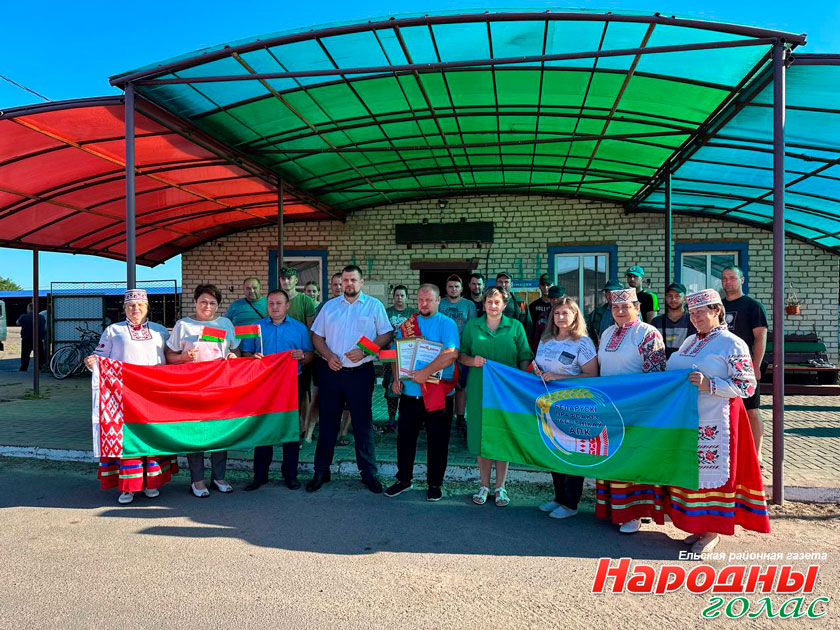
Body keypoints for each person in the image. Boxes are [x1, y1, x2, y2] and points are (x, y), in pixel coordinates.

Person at [665, 289, 769, 553]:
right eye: (692, 313)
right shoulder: (690, 342)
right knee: (694, 472)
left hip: (718, 420)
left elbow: (747, 386)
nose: (695, 317)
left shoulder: (732, 343)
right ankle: (699, 526)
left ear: (717, 311)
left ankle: (712, 531)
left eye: (701, 312)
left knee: (714, 473)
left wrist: (710, 384)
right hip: (690, 421)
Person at [84, 289, 177, 505]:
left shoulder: (160, 331)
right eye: (131, 306)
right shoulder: (113, 330)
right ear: (125, 308)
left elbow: (171, 358)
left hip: (154, 395)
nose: (136, 309)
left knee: (152, 436)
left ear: (147, 307)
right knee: (128, 439)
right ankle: (129, 486)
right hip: (122, 397)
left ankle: (152, 483)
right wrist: (91, 363)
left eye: (140, 305)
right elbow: (100, 358)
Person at [307, 265, 393, 493]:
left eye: (353, 280)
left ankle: (368, 473)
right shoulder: (330, 307)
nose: (349, 284)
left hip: (360, 373)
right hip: (332, 372)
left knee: (362, 424)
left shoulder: (374, 305)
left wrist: (365, 351)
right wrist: (328, 355)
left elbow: (386, 333)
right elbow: (317, 336)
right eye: (345, 280)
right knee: (328, 423)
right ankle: (321, 471)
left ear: (362, 282)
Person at [595, 287, 666, 534]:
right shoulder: (606, 333)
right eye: (615, 307)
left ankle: (635, 513)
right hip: (609, 408)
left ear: (637, 307)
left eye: (626, 306)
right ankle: (613, 509)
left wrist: (641, 406)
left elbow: (655, 375)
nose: (620, 311)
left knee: (633, 460)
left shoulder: (647, 333)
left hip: (635, 408)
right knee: (611, 457)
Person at [385, 284, 460, 501]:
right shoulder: (408, 324)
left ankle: (435, 483)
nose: (423, 304)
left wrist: (425, 372)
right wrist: (397, 378)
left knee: (438, 441)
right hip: (410, 393)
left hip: (438, 394)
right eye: (420, 300)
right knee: (405, 439)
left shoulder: (447, 323)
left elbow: (451, 354)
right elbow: (396, 354)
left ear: (438, 300)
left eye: (428, 300)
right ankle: (403, 480)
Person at [459, 287, 533, 507]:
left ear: (504, 304)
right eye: (489, 301)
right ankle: (484, 485)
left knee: (502, 436)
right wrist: (472, 361)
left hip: (506, 391)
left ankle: (500, 486)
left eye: (497, 302)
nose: (493, 305)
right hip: (479, 389)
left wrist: (521, 382)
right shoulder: (472, 326)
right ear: (483, 304)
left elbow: (524, 356)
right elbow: (461, 355)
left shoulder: (515, 326)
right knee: (482, 436)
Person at [166, 284, 240, 498]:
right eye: (203, 302)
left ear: (218, 305)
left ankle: (219, 477)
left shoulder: (225, 324)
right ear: (195, 302)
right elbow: (169, 355)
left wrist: (233, 356)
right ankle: (197, 480)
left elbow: (235, 350)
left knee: (220, 432)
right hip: (193, 387)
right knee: (196, 433)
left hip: (220, 387)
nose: (207, 306)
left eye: (212, 303)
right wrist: (183, 357)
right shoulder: (183, 325)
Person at [240, 289, 314, 491]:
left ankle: (290, 475)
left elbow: (310, 355)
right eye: (271, 303)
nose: (274, 307)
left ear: (287, 305)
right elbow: (245, 353)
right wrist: (252, 358)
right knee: (263, 428)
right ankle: (260, 475)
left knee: (290, 429)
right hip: (263, 385)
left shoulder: (299, 328)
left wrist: (302, 356)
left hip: (291, 385)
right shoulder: (256, 328)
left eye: (279, 303)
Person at [533, 298, 599, 520]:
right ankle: (559, 497)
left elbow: (592, 376)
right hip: (549, 405)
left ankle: (571, 503)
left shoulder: (583, 342)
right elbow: (541, 367)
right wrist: (538, 373)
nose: (561, 317)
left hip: (573, 406)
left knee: (571, 453)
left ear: (575, 316)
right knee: (554, 450)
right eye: (557, 313)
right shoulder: (546, 340)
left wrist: (559, 377)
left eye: (565, 313)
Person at [720, 266, 768, 464]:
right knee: (726, 411)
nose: (727, 282)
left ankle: (757, 455)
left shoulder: (753, 306)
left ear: (742, 280)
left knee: (751, 410)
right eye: (724, 278)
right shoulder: (718, 306)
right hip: (722, 367)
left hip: (745, 368)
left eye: (732, 278)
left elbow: (760, 338)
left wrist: (755, 366)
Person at [439, 274, 476, 435]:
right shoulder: (440, 303)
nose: (453, 289)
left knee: (461, 386)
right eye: (450, 286)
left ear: (461, 289)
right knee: (442, 383)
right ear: (446, 288)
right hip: (442, 352)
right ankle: (441, 413)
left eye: (456, 286)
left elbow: (472, 327)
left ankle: (460, 417)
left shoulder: (468, 305)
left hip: (462, 351)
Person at [383, 285, 415, 432]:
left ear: (407, 297)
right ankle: (391, 417)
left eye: (402, 295)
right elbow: (381, 331)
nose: (399, 298)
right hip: (388, 354)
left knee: (406, 385)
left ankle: (407, 417)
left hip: (407, 355)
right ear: (393, 296)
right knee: (389, 385)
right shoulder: (387, 312)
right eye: (397, 295)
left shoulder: (413, 313)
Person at [651, 282, 696, 358]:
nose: (673, 299)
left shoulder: (693, 320)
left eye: (677, 296)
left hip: (685, 363)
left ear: (685, 298)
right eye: (670, 296)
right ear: (665, 298)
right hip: (663, 364)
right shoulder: (656, 322)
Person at [496, 271, 532, 336]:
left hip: (515, 337)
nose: (503, 285)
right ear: (496, 284)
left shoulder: (520, 302)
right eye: (500, 282)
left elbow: (528, 324)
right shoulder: (489, 302)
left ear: (511, 284)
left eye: (506, 282)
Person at [587, 279, 622, 345]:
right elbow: (588, 331)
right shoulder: (597, 312)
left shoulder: (627, 313)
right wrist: (593, 345)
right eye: (607, 292)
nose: (610, 295)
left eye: (613, 292)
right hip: (600, 349)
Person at [528, 274, 557, 351]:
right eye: (543, 285)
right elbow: (530, 327)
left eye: (548, 285)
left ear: (553, 285)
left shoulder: (557, 305)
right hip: (538, 343)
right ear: (539, 286)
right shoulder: (533, 306)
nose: (546, 288)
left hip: (555, 341)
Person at [16, 303, 46, 372]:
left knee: (25, 354)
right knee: (39, 354)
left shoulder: (24, 316)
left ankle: (24, 367)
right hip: (38, 339)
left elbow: (17, 322)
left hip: (27, 338)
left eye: (27, 308)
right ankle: (40, 367)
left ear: (29, 309)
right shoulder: (41, 317)